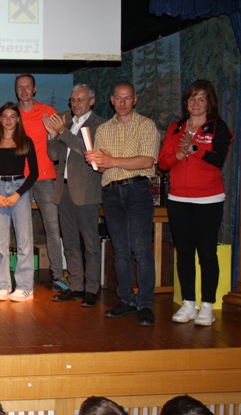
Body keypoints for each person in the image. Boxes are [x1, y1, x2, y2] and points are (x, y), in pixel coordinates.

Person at [158, 80, 234, 326]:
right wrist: (180, 154)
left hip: (208, 199)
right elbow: (163, 163)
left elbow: (218, 159)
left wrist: (194, 149)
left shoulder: (218, 127)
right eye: (192, 98)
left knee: (207, 253)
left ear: (209, 103)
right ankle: (188, 303)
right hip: (178, 199)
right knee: (184, 253)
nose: (196, 103)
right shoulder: (176, 128)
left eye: (202, 99)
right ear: (186, 102)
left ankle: (207, 306)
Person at [85, 82, 160, 326]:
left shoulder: (146, 125)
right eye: (118, 98)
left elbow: (147, 161)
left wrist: (112, 160)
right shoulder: (104, 129)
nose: (123, 103)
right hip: (111, 192)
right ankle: (126, 299)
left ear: (135, 100)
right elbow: (101, 168)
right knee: (120, 250)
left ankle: (145, 304)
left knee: (141, 248)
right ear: (112, 100)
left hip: (138, 190)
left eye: (127, 98)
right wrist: (96, 160)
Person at [45, 84, 106, 307]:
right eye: (72, 100)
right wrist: (52, 134)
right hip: (64, 190)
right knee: (69, 241)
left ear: (92, 101)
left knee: (90, 243)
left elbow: (86, 150)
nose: (75, 104)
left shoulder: (99, 125)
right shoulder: (68, 125)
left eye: (80, 100)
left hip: (86, 191)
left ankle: (92, 288)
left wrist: (63, 132)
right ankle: (76, 285)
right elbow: (54, 155)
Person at [15, 74, 66, 291]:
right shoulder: (12, 115)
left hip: (45, 177)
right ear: (16, 90)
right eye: (20, 87)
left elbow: (61, 142)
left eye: (28, 86)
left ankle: (58, 276)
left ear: (34, 89)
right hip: (20, 179)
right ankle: (24, 279)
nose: (24, 90)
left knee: (52, 227)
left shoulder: (48, 112)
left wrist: (54, 134)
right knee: (23, 230)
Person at [0, 102, 38, 302]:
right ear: (0, 119)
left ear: (18, 119)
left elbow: (34, 173)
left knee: (24, 240)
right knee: (0, 241)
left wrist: (18, 194)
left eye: (12, 116)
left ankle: (25, 287)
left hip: (19, 189)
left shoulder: (26, 141)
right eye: (4, 116)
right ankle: (4, 286)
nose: (8, 120)